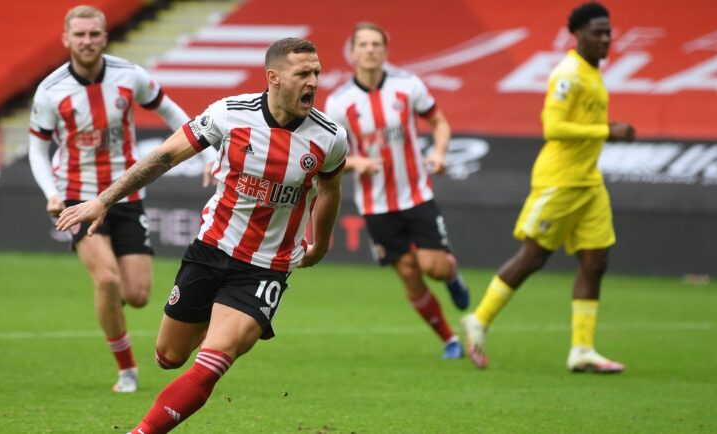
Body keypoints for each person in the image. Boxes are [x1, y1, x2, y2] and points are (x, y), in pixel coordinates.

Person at [57, 37, 347, 433]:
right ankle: (217, 320)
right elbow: (163, 157)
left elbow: (330, 191)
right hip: (211, 250)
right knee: (169, 356)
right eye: (303, 73)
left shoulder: (329, 137)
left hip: (266, 268)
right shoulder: (229, 114)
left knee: (211, 364)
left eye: (316, 72)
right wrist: (104, 200)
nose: (314, 81)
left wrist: (320, 245)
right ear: (274, 78)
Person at [28, 5, 209, 392]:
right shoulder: (50, 90)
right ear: (66, 40)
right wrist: (51, 193)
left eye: (94, 34)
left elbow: (170, 110)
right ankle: (126, 370)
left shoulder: (130, 76)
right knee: (106, 279)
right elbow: (36, 148)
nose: (87, 41)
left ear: (104, 36)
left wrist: (208, 153)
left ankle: (111, 309)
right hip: (76, 195)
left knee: (138, 295)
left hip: (126, 192)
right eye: (80, 35)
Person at [462, 2, 636, 373]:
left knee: (596, 260)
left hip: (588, 181)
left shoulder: (592, 72)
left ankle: (582, 349)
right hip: (558, 181)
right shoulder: (568, 73)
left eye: (609, 31)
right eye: (598, 32)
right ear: (578, 35)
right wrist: (607, 131)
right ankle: (479, 319)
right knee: (534, 256)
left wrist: (605, 130)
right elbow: (552, 128)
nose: (606, 38)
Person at [325, 22, 470, 360]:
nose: (371, 49)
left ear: (385, 50)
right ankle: (449, 339)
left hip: (417, 193)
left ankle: (452, 275)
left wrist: (439, 152)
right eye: (364, 44)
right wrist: (356, 162)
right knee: (408, 272)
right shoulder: (338, 103)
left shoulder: (408, 86)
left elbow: (440, 122)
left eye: (377, 44)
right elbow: (326, 157)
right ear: (353, 52)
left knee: (432, 266)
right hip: (375, 204)